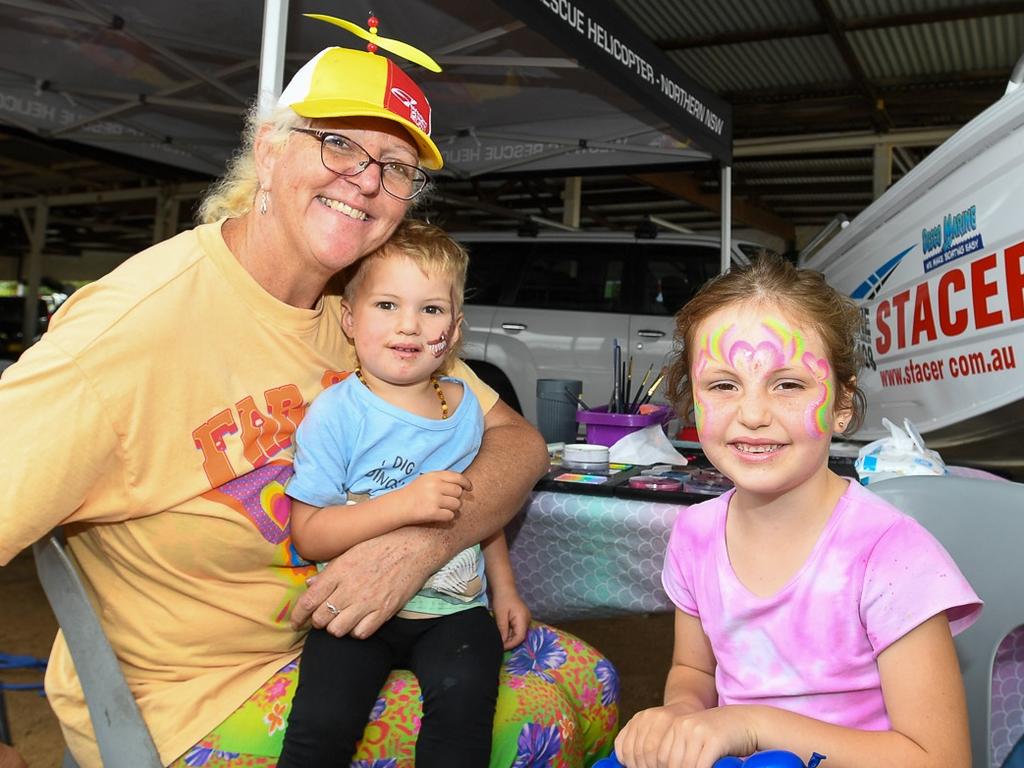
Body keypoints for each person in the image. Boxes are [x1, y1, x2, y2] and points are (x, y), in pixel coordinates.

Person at [0, 32, 617, 768]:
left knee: (594, 678)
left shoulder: (365, 309)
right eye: (336, 145)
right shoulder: (130, 331)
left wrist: (418, 545)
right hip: (196, 698)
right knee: (538, 720)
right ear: (267, 151)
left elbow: (517, 443)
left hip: (356, 638)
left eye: (394, 168)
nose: (364, 180)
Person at [614, 255, 981, 768]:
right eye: (723, 385)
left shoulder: (891, 554)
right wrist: (679, 715)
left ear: (842, 406)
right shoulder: (694, 534)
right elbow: (693, 672)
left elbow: (942, 759)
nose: (753, 414)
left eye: (788, 384)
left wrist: (754, 724)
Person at [277, 219, 530, 766]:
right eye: (386, 305)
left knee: (463, 725)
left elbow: (481, 510)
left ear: (455, 328)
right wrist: (406, 503)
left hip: (456, 614)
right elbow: (310, 534)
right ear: (349, 317)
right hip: (355, 613)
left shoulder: (466, 406)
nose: (409, 326)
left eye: (431, 310)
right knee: (320, 730)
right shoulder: (337, 414)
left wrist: (504, 590)